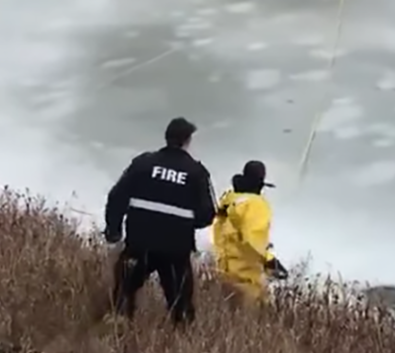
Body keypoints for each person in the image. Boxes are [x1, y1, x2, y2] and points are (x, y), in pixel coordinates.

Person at [103, 116, 217, 326]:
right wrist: (183, 223)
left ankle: (115, 337)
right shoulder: (196, 172)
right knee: (181, 310)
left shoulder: (143, 163)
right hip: (175, 250)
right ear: (187, 141)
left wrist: (113, 230)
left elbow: (116, 197)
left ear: (166, 137)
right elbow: (207, 215)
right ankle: (180, 342)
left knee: (122, 298)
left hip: (139, 244)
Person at [211, 160, 288, 304]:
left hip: (224, 268)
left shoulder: (230, 199)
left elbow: (220, 230)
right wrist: (270, 260)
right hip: (246, 275)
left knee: (223, 315)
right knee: (250, 319)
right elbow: (253, 239)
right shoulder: (256, 205)